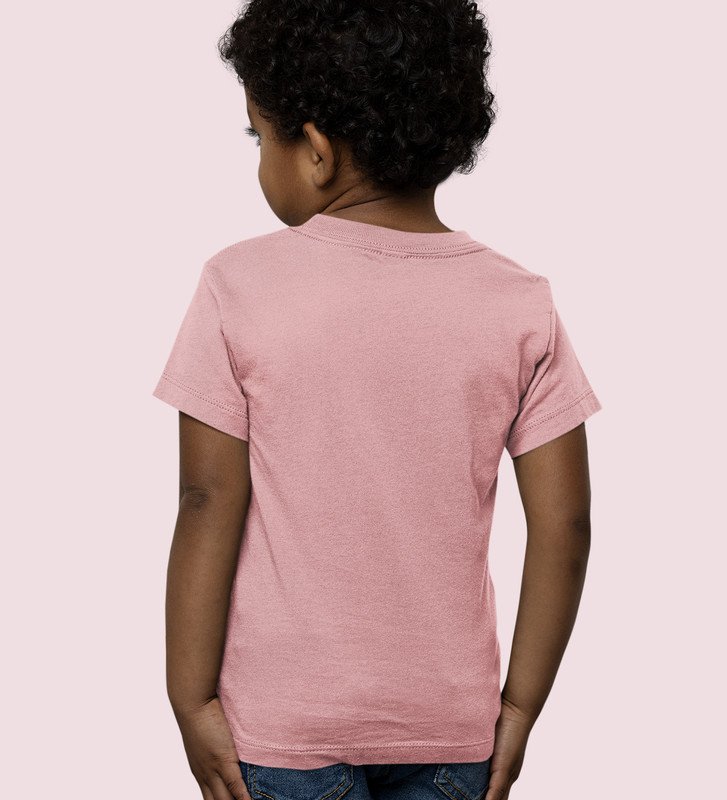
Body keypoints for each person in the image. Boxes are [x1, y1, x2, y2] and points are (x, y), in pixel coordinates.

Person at [151, 2, 603, 799]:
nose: (260, 157)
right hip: (451, 732)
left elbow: (206, 498)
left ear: (316, 151)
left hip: (284, 731)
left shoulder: (237, 286)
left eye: (260, 137)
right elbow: (565, 525)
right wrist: (520, 708)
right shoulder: (518, 302)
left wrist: (189, 699)